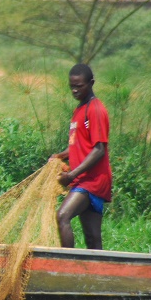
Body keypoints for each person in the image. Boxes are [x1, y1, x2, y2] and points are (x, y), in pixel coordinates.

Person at [52, 64, 112, 250]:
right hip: (83, 179)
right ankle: (98, 276)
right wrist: (59, 156)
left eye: (79, 86)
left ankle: (67, 265)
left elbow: (99, 149)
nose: (75, 90)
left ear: (91, 83)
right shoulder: (79, 111)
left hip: (91, 181)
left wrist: (71, 175)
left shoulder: (95, 110)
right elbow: (78, 146)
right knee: (92, 238)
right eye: (72, 86)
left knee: (62, 216)